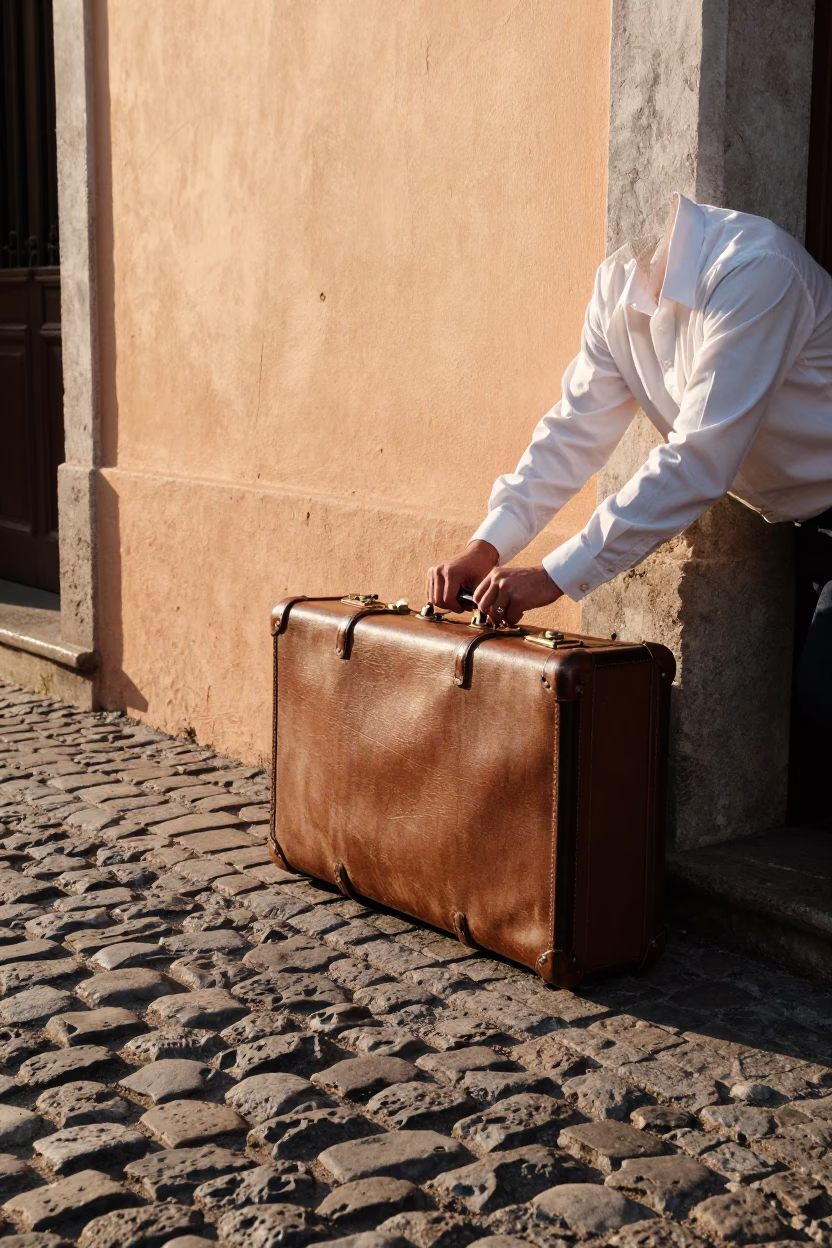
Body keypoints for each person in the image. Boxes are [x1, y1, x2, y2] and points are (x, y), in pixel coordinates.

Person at [427, 192, 832, 740]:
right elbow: (573, 430)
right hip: (807, 519)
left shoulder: (756, 270)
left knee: (823, 692)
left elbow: (698, 460)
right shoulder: (617, 284)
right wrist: (488, 544)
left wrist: (553, 576)